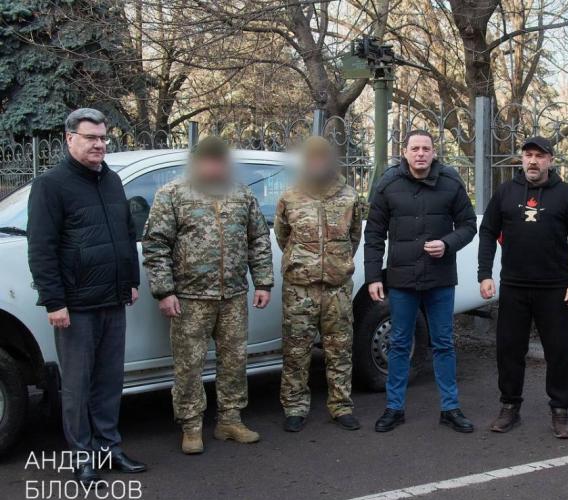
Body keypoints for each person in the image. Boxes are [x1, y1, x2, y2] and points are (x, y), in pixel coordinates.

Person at [27, 108, 146, 485]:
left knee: (109, 382)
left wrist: (131, 279)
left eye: (103, 137)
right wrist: (54, 301)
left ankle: (109, 447)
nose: (99, 144)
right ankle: (82, 456)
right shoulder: (51, 185)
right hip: (76, 305)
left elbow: (126, 233)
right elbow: (41, 248)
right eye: (91, 137)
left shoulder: (111, 180)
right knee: (77, 386)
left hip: (112, 299)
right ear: (70, 139)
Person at [142, 136, 274, 454]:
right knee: (189, 365)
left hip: (233, 296)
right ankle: (191, 426)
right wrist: (164, 291)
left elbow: (258, 238)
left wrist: (263, 282)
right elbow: (156, 245)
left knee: (234, 360)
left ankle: (230, 420)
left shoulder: (241, 194)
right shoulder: (173, 194)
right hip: (190, 297)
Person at [364, 129, 477, 433]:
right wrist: (373, 276)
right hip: (402, 279)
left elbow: (468, 225)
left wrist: (448, 243)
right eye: (415, 148)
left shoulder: (451, 182)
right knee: (400, 343)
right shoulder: (388, 184)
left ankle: (450, 408)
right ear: (405, 152)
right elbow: (373, 233)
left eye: (426, 148)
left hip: (440, 278)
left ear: (434, 152)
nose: (420, 154)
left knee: (443, 344)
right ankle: (394, 408)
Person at [478, 136, 568, 438]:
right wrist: (484, 274)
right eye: (528, 155)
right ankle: (509, 406)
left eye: (539, 156)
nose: (533, 161)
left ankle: (560, 410)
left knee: (559, 352)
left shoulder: (567, 195)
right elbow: (488, 232)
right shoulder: (506, 192)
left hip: (555, 289)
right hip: (514, 286)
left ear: (550, 160)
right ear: (522, 158)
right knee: (509, 350)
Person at [274, 136, 364, 432]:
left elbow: (354, 236)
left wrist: (335, 263)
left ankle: (341, 406)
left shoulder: (348, 196)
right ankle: (295, 407)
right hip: (299, 289)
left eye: (322, 157)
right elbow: (283, 236)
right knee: (296, 350)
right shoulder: (290, 196)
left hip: (337, 288)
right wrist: (307, 261)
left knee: (340, 349)